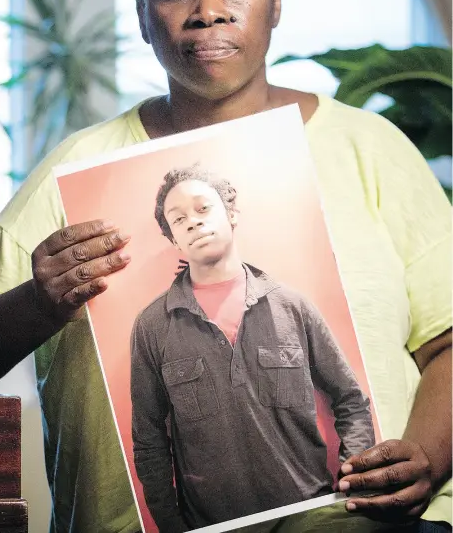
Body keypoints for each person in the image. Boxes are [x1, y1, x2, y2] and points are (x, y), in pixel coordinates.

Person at [0, 0, 451, 533]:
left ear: (275, 0)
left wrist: (428, 455)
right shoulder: (78, 169)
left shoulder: (369, 149)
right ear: (143, 16)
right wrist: (37, 300)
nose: (209, 10)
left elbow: (443, 344)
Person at [131, 164, 376, 532]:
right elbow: (148, 438)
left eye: (203, 209)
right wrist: (170, 523)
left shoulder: (293, 306)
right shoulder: (153, 325)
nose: (194, 223)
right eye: (179, 219)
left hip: (312, 517)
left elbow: (351, 400)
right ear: (174, 241)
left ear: (231, 214)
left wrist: (354, 485)